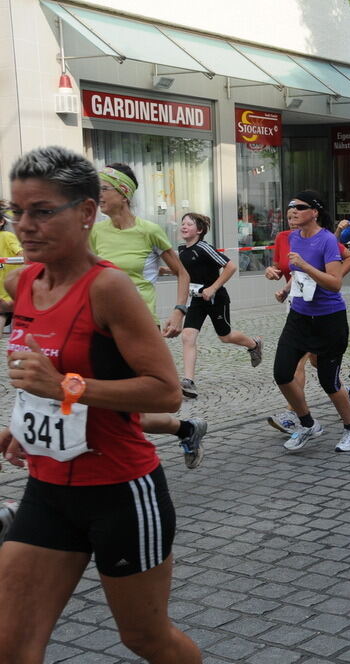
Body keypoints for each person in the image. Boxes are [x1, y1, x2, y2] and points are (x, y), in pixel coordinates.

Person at [0, 145, 200, 663]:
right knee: (11, 644)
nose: (25, 225)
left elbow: (165, 390)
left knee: (145, 639)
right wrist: (26, 421)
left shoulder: (108, 287)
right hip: (47, 490)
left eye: (42, 211)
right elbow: (40, 372)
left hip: (120, 493)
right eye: (16, 211)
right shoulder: (22, 281)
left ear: (87, 213)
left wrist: (65, 388)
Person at [89, 163, 206, 468]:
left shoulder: (148, 232)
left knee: (120, 405)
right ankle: (186, 429)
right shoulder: (95, 232)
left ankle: (130, 467)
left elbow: (182, 273)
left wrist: (179, 311)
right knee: (103, 404)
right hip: (99, 326)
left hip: (138, 327)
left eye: (104, 188)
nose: (98, 195)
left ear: (124, 193)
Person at [270, 191, 350, 453]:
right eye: (290, 207)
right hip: (299, 317)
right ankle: (308, 424)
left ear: (315, 212)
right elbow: (298, 274)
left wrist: (305, 266)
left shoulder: (327, 241)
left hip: (328, 320)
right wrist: (286, 289)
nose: (293, 211)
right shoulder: (294, 238)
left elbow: (334, 284)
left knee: (328, 381)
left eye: (300, 207)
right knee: (282, 373)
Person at [176, 213, 262, 398]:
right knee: (188, 336)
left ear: (199, 230)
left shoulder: (205, 248)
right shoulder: (182, 250)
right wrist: (166, 269)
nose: (184, 226)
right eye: (182, 223)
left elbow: (230, 267)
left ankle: (254, 344)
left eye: (189, 224)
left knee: (225, 336)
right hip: (197, 300)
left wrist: (213, 288)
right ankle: (188, 381)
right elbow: (187, 272)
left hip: (216, 299)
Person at [0, 202, 23, 332]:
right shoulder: (7, 236)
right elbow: (22, 255)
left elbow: (20, 254)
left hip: (8, 289)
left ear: (1, 222)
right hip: (7, 290)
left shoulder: (6, 236)